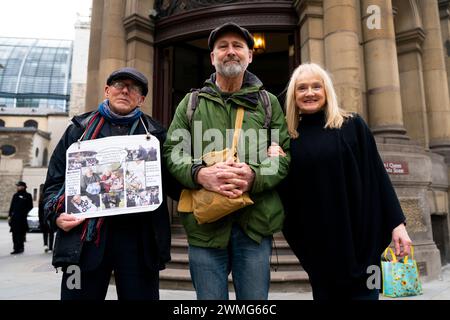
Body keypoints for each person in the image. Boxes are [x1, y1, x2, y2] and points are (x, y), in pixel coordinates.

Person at [163, 22, 291, 300]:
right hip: (205, 227)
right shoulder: (191, 103)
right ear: (212, 57)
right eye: (223, 47)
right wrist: (200, 174)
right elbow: (173, 151)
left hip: (255, 225)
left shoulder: (269, 103)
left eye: (237, 46)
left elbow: (282, 156)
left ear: (250, 55)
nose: (230, 52)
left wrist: (254, 177)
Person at [276, 62, 412, 300]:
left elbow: (378, 175)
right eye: (302, 88)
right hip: (320, 249)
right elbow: (289, 196)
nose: (309, 93)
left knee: (368, 295)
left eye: (316, 86)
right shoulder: (289, 139)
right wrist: (275, 162)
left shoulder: (352, 125)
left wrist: (397, 224)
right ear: (293, 95)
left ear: (327, 90)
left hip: (365, 243)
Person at [42, 67, 180, 300]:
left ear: (142, 99)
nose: (125, 90)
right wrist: (55, 216)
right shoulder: (77, 131)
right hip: (83, 242)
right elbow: (54, 183)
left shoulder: (157, 135)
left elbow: (175, 182)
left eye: (134, 88)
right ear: (107, 90)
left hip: (140, 241)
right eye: (118, 85)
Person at [8, 181, 33, 254]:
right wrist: (9, 216)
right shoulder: (15, 195)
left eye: (19, 186)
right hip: (14, 218)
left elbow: (30, 207)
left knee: (21, 233)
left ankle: (20, 247)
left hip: (22, 218)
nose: (18, 187)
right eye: (17, 186)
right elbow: (12, 206)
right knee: (14, 234)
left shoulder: (28, 195)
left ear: (23, 187)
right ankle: (15, 248)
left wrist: (24, 213)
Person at [38, 185, 54, 253]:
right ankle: (46, 245)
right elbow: (40, 211)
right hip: (44, 218)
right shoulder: (41, 199)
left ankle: (50, 247)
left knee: (51, 233)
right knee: (45, 232)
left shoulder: (51, 197)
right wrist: (40, 219)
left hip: (50, 217)